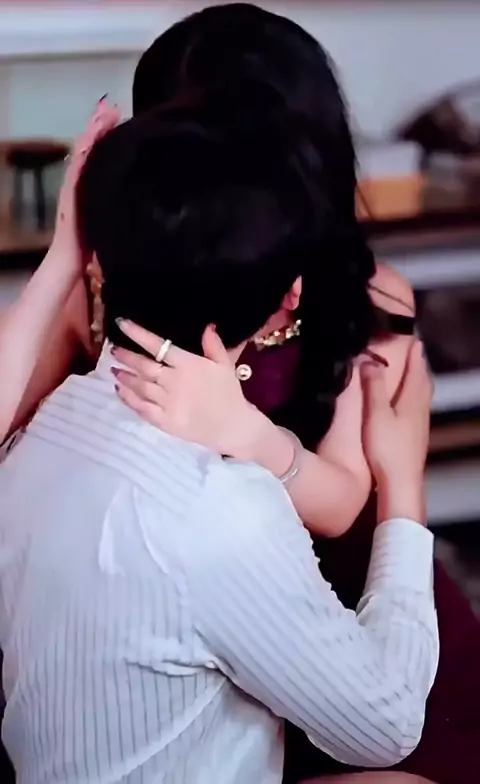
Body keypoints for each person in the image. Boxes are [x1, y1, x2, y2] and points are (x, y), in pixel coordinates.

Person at [0, 5, 475, 784]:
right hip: (169, 605)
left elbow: (340, 507)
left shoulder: (361, 297)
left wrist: (249, 437)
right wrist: (64, 258)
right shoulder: (102, 319)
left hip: (345, 599)